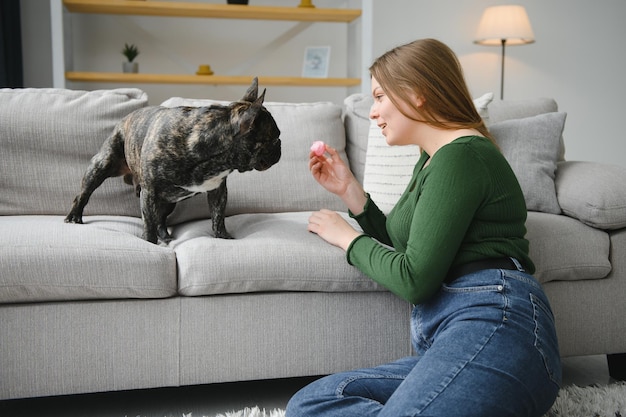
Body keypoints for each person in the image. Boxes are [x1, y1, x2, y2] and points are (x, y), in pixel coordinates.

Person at [285, 38, 561, 417]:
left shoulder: (463, 156)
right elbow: (407, 248)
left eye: (380, 96)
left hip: (497, 325)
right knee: (311, 402)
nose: (374, 112)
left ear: (417, 94)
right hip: (451, 339)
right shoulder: (432, 161)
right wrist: (350, 191)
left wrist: (348, 238)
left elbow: (414, 278)